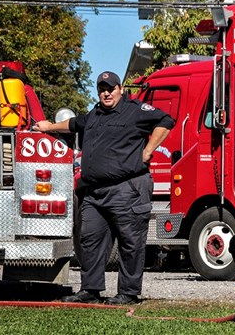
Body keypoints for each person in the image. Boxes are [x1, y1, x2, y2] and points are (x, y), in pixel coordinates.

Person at [33, 71, 174, 305]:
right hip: (94, 192)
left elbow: (166, 120)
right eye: (102, 89)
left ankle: (128, 293)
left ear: (120, 89)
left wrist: (148, 151)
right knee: (90, 240)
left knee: (130, 243)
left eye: (110, 88)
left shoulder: (135, 110)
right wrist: (49, 126)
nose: (106, 93)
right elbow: (73, 123)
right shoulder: (95, 113)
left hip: (126, 189)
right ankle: (90, 290)